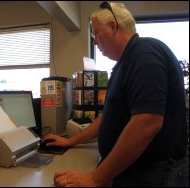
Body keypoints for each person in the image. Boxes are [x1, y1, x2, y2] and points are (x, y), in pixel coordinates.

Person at [41, 1, 189, 187]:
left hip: (156, 174)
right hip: (138, 171)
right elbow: (107, 117)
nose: (94, 40)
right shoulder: (123, 64)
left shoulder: (144, 53)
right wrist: (70, 141)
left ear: (113, 26)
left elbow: (148, 122)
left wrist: (95, 178)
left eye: (96, 33)